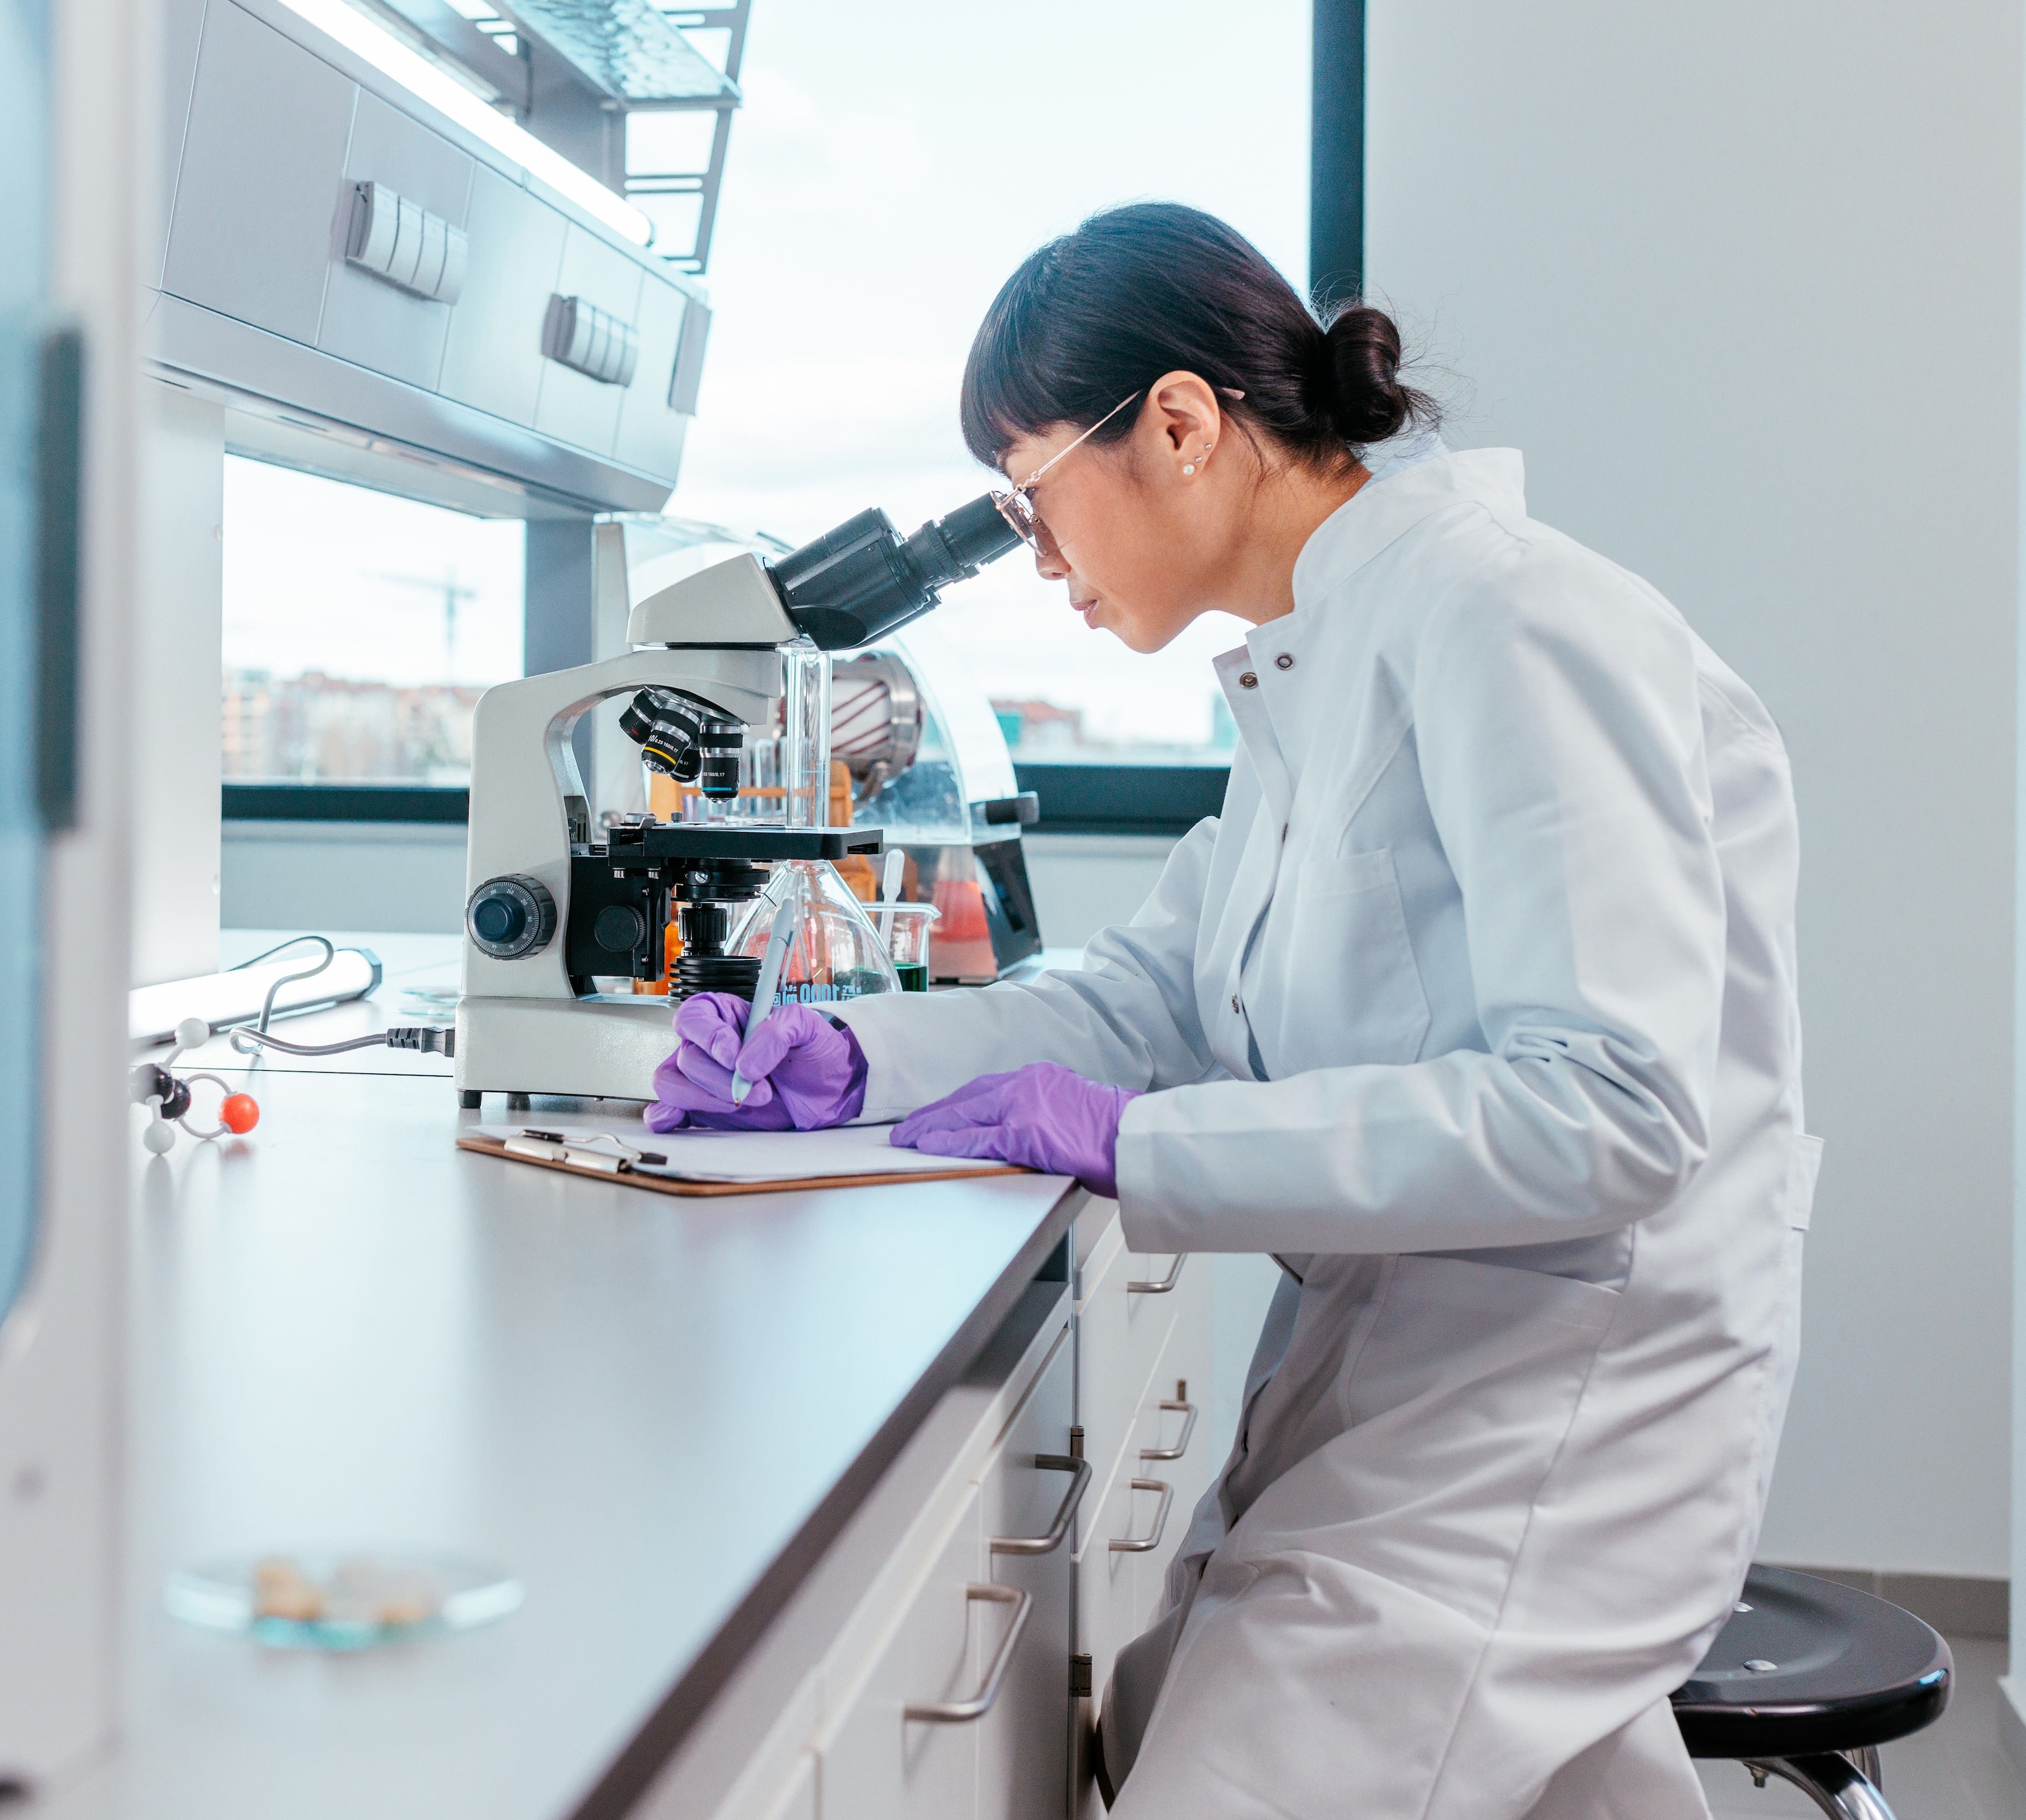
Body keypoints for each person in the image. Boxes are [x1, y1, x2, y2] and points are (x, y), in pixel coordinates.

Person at [652, 201, 1811, 1819]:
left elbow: (1614, 1110)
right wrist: (860, 1060)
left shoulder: (1513, 617)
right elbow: (1151, 998)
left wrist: (1146, 1146)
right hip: (1395, 1356)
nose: (1037, 558)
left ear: (1182, 425)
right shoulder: (1313, 668)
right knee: (1172, 1704)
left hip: (1554, 1405)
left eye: (1030, 496)